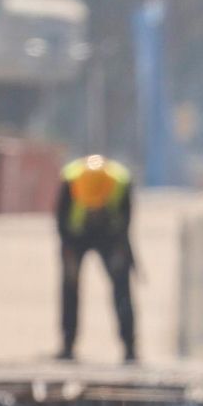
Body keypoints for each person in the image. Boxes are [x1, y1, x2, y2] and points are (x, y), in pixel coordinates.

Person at [55, 155, 137, 363]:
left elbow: (126, 220)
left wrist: (122, 249)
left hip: (110, 235)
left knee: (121, 287)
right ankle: (67, 345)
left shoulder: (121, 182)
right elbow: (61, 219)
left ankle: (130, 347)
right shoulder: (71, 180)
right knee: (69, 287)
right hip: (76, 236)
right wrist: (67, 248)